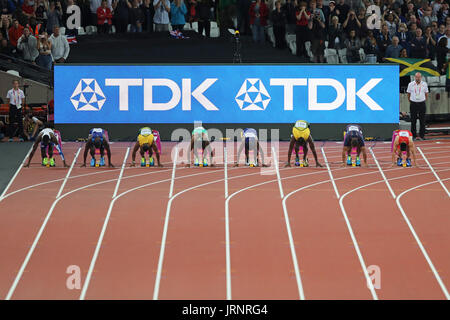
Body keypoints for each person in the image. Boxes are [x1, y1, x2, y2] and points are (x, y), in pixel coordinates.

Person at [406, 72, 429, 140]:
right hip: (413, 104)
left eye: (419, 77)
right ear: (414, 77)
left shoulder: (424, 84)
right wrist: (411, 101)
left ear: (421, 77)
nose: (417, 78)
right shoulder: (410, 84)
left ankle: (422, 135)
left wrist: (423, 100)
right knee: (413, 120)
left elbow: (426, 94)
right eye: (416, 77)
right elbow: (408, 94)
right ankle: (413, 135)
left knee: (422, 120)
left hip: (422, 104)